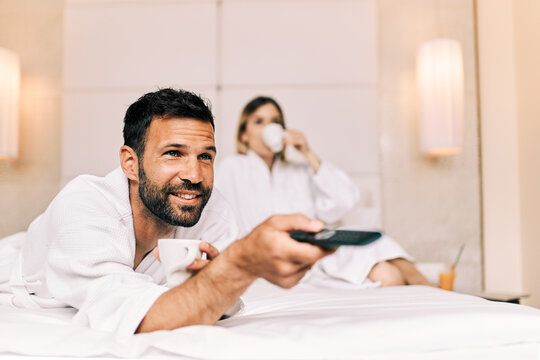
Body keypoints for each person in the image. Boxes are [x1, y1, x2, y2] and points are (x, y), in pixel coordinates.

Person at [0, 89, 335, 335]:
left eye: (206, 156)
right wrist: (242, 263)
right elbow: (139, 318)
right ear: (130, 163)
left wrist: (219, 277)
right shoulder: (84, 205)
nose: (195, 174)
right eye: (174, 153)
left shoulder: (212, 208)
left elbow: (213, 305)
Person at [215, 96, 431, 288]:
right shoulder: (232, 168)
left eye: (275, 122)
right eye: (258, 121)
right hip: (271, 257)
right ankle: (441, 298)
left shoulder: (299, 170)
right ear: (244, 135)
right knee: (389, 275)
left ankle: (440, 298)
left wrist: (308, 153)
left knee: (388, 273)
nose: (268, 128)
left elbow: (344, 201)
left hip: (317, 254)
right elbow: (219, 216)